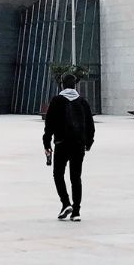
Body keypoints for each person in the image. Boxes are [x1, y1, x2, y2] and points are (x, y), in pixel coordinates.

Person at [43, 74, 95, 221]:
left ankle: (65, 203)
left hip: (61, 143)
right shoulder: (82, 102)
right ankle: (76, 211)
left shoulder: (56, 101)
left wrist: (47, 143)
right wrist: (88, 143)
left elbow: (49, 124)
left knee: (58, 174)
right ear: (75, 85)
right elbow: (90, 125)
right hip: (78, 145)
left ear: (62, 84)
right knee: (76, 177)